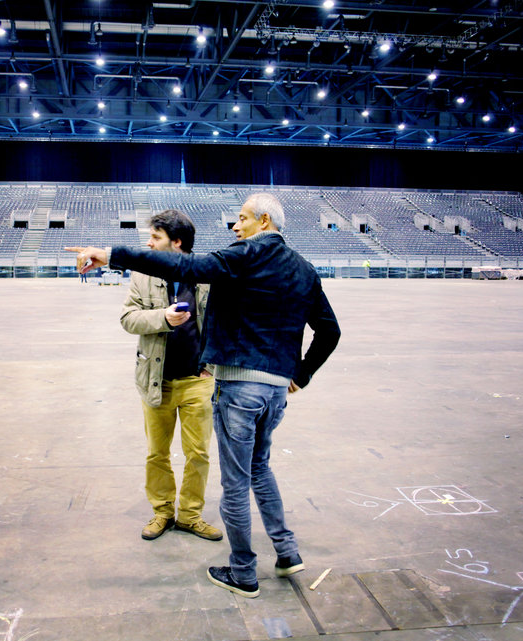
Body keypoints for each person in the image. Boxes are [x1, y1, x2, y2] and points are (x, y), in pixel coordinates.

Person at [67, 193, 341, 598]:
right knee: (260, 469)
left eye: (243, 218)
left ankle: (244, 573)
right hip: (275, 392)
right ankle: (286, 553)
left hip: (236, 387)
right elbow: (329, 331)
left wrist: (111, 254)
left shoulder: (244, 255)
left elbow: (189, 265)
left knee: (234, 485)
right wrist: (300, 374)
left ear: (263, 221)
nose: (235, 226)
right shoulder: (304, 268)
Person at [120, 210, 221, 542]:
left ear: (177, 243)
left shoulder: (207, 275)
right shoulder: (142, 274)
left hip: (197, 380)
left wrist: (213, 367)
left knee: (199, 454)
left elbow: (222, 324)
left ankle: (190, 516)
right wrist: (162, 318)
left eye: (156, 237)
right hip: (156, 380)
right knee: (156, 453)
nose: (148, 243)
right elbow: (128, 318)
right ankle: (162, 512)